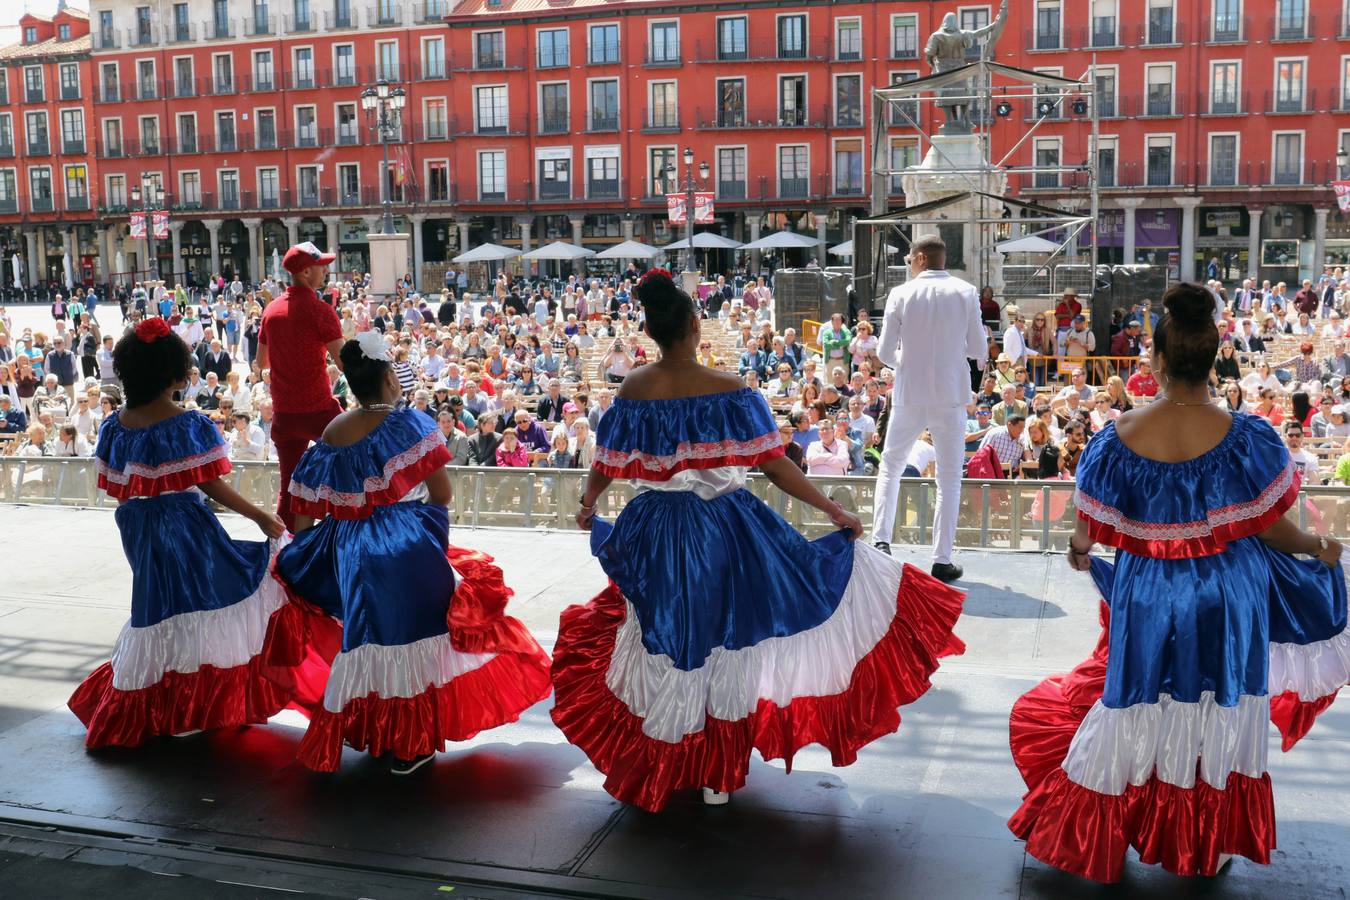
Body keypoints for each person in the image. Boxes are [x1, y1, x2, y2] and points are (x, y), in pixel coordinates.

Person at [552, 269, 965, 811]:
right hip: (724, 530)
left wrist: (587, 507)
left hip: (651, 531)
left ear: (652, 331)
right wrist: (834, 510)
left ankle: (667, 760)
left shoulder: (632, 389)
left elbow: (605, 466)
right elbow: (775, 466)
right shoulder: (730, 391)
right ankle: (715, 774)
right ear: (695, 327)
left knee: (669, 637)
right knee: (727, 639)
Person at [1008, 283, 1349, 882]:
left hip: (1149, 592)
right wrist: (1320, 548)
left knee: (1137, 699)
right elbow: (1275, 531)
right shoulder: (1250, 439)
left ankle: (1108, 829)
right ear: (1214, 356)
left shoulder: (1117, 440)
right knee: (1220, 704)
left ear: (1157, 362)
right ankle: (1205, 841)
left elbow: (1090, 528)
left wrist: (1080, 552)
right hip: (1229, 595)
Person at [274, 334, 551, 774]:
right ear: (389, 377)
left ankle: (379, 733)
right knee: (416, 636)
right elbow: (441, 494)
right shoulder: (410, 425)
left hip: (350, 548)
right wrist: (427, 532)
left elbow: (303, 507)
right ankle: (412, 743)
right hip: (403, 542)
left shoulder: (332, 432)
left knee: (368, 637)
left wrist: (312, 550)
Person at [66, 318, 317, 749]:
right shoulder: (184, 424)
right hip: (181, 522)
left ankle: (166, 702)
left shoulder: (115, 425)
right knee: (203, 602)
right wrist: (260, 516)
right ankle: (194, 705)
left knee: (160, 609)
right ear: (172, 373)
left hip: (138, 527)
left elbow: (116, 489)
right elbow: (209, 482)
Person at [871, 235, 988, 582]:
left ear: (920, 258)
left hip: (910, 391)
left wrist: (905, 364)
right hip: (951, 393)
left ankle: (881, 542)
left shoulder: (901, 293)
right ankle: (941, 558)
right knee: (949, 477)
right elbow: (978, 347)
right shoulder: (966, 292)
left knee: (890, 466)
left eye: (910, 258)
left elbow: (883, 352)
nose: (908, 262)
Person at [258, 243, 346, 530]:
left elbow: (261, 362)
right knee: (355, 467)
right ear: (307, 271)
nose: (326, 270)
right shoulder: (320, 310)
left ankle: (283, 554)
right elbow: (345, 363)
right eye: (322, 266)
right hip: (319, 410)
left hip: (284, 413)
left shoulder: (271, 310)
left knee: (288, 486)